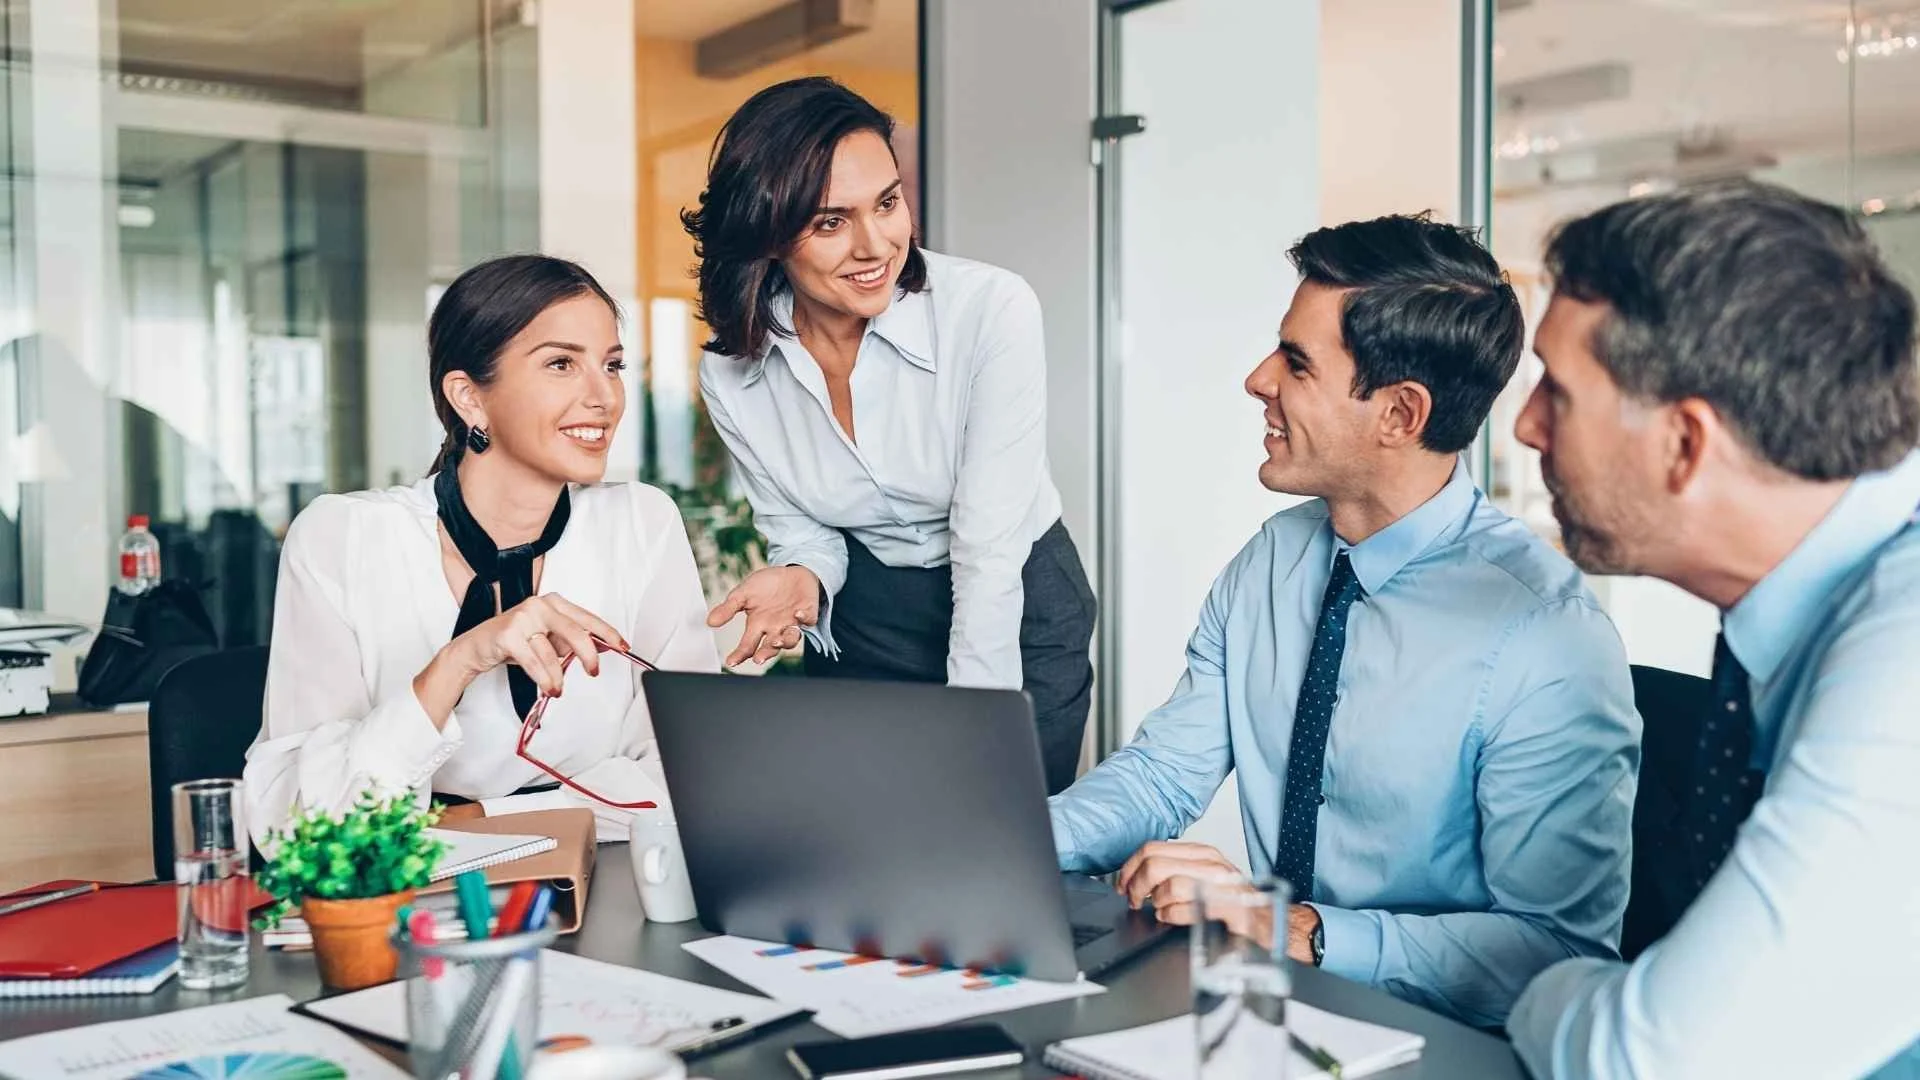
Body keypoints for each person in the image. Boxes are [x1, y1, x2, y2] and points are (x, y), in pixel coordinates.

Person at [1049, 214, 1641, 1029]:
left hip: (1437, 1045)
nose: (1258, 380)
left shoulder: (1547, 636)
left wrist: (1302, 931)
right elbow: (1161, 775)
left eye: (1296, 364)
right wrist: (1003, 848)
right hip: (1265, 1013)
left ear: (1399, 414)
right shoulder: (1271, 562)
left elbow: (1559, 953)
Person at [1506, 182, 1920, 1077]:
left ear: (1685, 444)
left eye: (1559, 392)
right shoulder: (1801, 601)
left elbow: (1653, 1058)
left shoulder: (1905, 658)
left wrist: (1542, 993)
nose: (1524, 423)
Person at [688, 76, 1095, 795]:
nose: (877, 244)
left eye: (887, 202)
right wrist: (801, 573)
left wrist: (979, 730)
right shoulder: (733, 374)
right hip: (870, 610)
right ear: (767, 233)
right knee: (868, 831)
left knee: (995, 833)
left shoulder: (990, 311)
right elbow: (804, 531)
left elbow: (988, 544)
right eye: (829, 222)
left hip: (1018, 597)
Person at [244, 255, 720, 844]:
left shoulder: (642, 523)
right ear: (469, 397)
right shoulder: (342, 539)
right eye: (561, 364)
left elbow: (691, 774)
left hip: (603, 885)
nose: (605, 396)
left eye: (612, 364)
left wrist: (476, 823)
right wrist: (460, 662)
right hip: (402, 904)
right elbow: (299, 826)